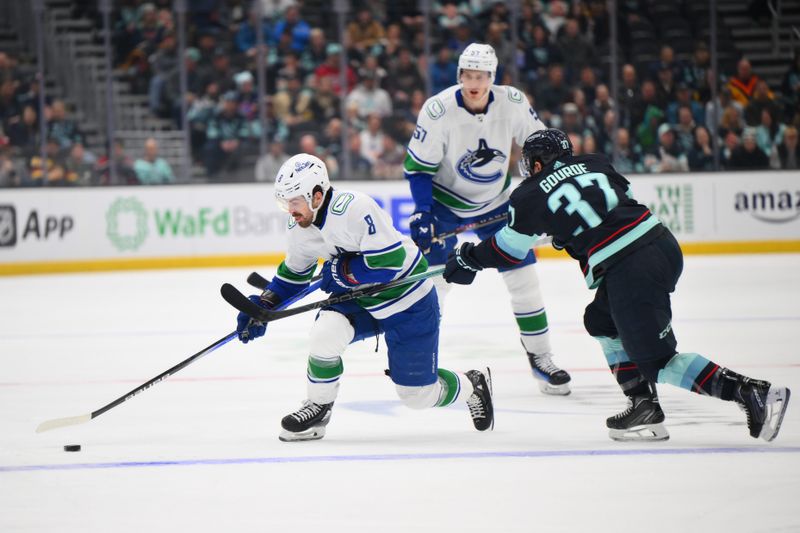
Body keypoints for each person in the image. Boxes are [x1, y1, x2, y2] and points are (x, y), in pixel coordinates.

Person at [443, 128, 791, 443]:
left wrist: (468, 258)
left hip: (630, 266)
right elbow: (607, 203)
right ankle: (643, 406)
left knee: (659, 361)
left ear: (537, 163)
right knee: (601, 321)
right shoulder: (596, 162)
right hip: (660, 245)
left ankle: (750, 392)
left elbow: (509, 248)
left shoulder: (528, 194)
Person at [234, 153, 494, 442]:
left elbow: (390, 262)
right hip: (362, 299)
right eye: (285, 203)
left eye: (294, 202)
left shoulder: (355, 208)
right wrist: (265, 303)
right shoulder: (300, 226)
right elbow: (295, 274)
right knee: (325, 333)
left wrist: (343, 271)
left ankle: (473, 384)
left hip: (408, 301)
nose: (290, 211)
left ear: (317, 194)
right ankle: (319, 407)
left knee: (417, 396)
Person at [403, 42, 571, 395]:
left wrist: (546, 192)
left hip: (498, 204)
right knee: (436, 286)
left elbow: (541, 145)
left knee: (524, 280)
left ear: (492, 77)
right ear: (459, 75)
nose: (473, 81)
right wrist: (422, 210)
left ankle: (541, 358)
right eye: (467, 74)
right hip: (446, 205)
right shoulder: (438, 110)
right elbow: (418, 168)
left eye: (480, 75)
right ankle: (422, 360)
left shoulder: (511, 102)